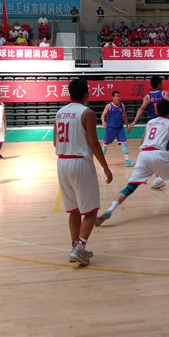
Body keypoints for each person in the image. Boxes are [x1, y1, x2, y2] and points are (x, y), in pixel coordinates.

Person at [96, 99, 169, 225]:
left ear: (156, 110)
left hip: (143, 154)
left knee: (130, 187)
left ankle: (110, 209)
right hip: (158, 154)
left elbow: (141, 142)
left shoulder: (150, 122)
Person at [55, 78, 113, 266]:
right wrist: (105, 167)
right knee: (91, 210)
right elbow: (94, 144)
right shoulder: (87, 113)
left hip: (62, 162)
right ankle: (79, 247)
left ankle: (75, 247)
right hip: (80, 163)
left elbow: (55, 142)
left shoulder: (59, 113)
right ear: (87, 93)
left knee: (74, 210)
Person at [129, 75, 169, 189]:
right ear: (159, 84)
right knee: (162, 151)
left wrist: (134, 121)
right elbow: (168, 104)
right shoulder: (164, 93)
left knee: (144, 146)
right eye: (161, 83)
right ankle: (158, 177)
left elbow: (141, 108)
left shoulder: (147, 97)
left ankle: (145, 172)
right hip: (163, 125)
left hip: (153, 126)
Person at [101, 91, 135, 167]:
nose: (118, 98)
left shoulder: (122, 106)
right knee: (105, 145)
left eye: (119, 96)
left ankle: (127, 160)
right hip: (110, 129)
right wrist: (103, 121)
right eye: (116, 96)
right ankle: (101, 160)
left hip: (120, 128)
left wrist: (127, 126)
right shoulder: (109, 106)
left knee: (124, 143)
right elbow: (103, 115)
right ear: (113, 97)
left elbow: (125, 116)